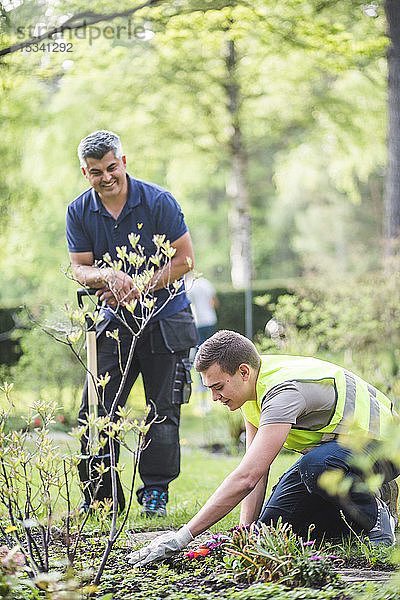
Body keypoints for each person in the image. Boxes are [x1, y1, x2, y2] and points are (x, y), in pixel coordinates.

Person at [128, 329, 399, 566]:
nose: (214, 397)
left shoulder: (283, 393)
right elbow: (255, 469)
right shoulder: (251, 391)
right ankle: (367, 504)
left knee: (315, 467)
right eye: (209, 389)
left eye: (219, 387)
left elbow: (245, 479)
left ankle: (376, 519)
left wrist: (182, 537)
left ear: (243, 371)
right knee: (273, 532)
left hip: (386, 447)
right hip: (342, 452)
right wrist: (248, 531)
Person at [66, 130, 198, 516]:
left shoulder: (159, 201)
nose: (106, 177)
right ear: (85, 173)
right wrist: (107, 276)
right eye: (95, 172)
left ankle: (155, 492)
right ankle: (104, 499)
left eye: (111, 168)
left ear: (123, 162)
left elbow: (186, 260)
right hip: (112, 324)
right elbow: (79, 267)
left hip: (166, 320)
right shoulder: (78, 211)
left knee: (162, 411)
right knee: (95, 411)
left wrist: (139, 285)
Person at [187, 277, 218, 345]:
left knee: (199, 348)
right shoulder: (206, 283)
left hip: (198, 321)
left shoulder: (189, 286)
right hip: (210, 320)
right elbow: (214, 303)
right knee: (210, 348)